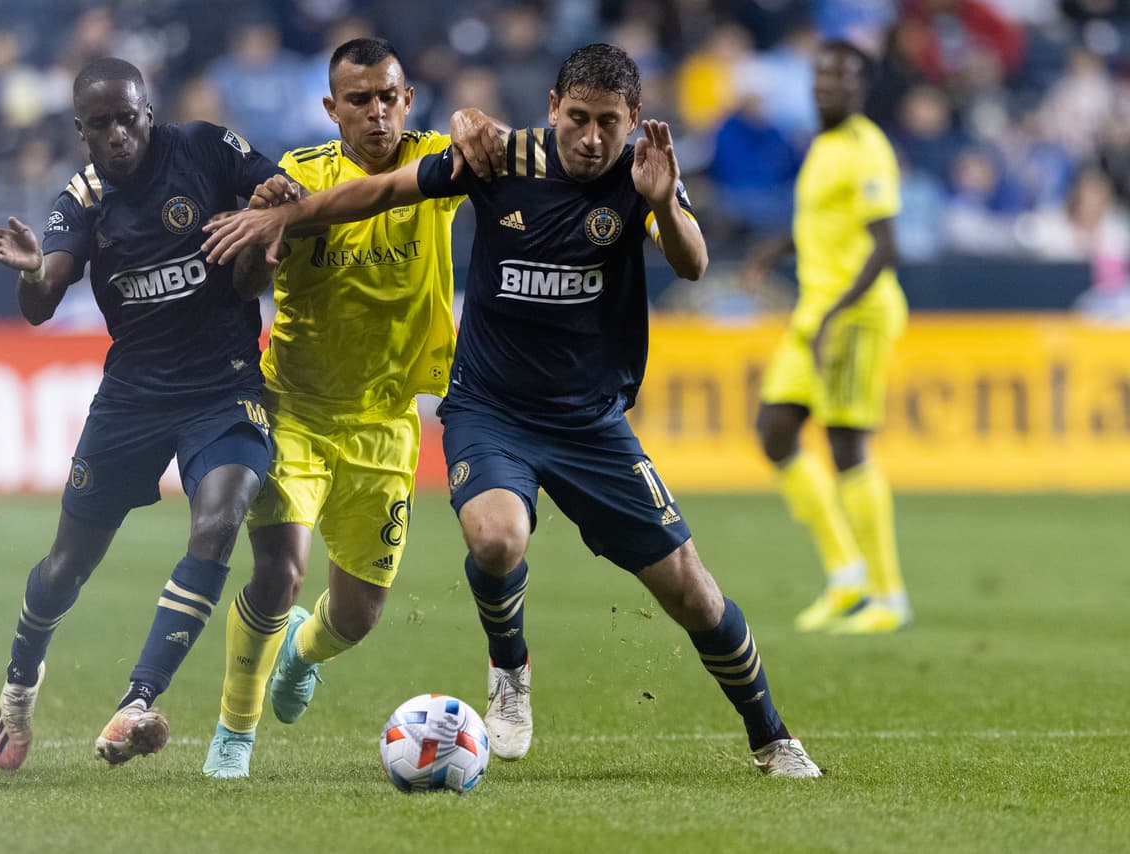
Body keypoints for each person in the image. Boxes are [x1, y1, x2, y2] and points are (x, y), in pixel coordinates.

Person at [204, 43, 822, 778]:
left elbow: (691, 262)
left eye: (611, 123)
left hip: (589, 420)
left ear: (634, 120)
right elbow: (383, 191)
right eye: (580, 118)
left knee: (691, 589)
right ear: (554, 106)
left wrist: (662, 200)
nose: (593, 138)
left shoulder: (642, 172)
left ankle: (771, 735)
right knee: (496, 540)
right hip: (489, 407)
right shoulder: (499, 159)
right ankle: (509, 672)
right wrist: (288, 218)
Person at [0, 56, 293, 771]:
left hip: (224, 385)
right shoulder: (79, 201)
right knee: (66, 567)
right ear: (80, 131)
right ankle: (20, 686)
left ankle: (137, 700)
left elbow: (281, 190)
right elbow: (42, 301)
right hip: (134, 398)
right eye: (101, 124)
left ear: (149, 112)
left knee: (220, 517)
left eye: (129, 117)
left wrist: (273, 201)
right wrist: (32, 273)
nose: (119, 134)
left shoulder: (207, 148)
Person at [199, 37, 502, 779]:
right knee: (281, 570)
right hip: (293, 407)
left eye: (388, 97)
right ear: (330, 109)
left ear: (407, 99)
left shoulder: (434, 157)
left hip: (388, 422)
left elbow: (486, 142)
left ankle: (301, 651)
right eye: (358, 101)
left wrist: (472, 118)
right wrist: (260, 246)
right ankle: (234, 734)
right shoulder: (292, 179)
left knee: (357, 616)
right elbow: (239, 284)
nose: (376, 113)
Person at [742, 40, 912, 634]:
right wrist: (780, 248)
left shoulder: (867, 149)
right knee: (775, 431)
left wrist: (836, 316)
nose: (828, 85)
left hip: (855, 313)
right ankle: (847, 578)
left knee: (846, 447)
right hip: (817, 312)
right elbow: (828, 225)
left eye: (842, 76)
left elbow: (887, 248)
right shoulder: (823, 146)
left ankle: (888, 597)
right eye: (821, 74)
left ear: (861, 86)